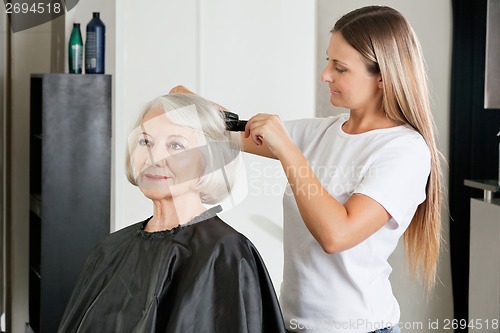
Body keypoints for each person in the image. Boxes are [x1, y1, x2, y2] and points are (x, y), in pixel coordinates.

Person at [172, 5, 442, 333]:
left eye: (340, 68)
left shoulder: (404, 150)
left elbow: (336, 234)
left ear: (383, 77)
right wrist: (190, 103)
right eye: (328, 61)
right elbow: (229, 134)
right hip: (293, 324)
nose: (326, 75)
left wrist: (287, 150)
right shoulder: (322, 132)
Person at [57, 94, 286, 333]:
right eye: (145, 142)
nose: (155, 157)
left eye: (176, 145)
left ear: (208, 161)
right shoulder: (110, 249)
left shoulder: (224, 254)